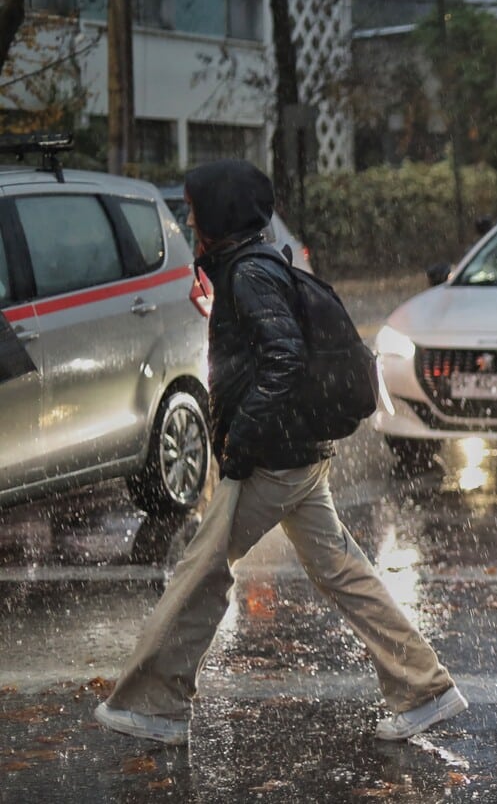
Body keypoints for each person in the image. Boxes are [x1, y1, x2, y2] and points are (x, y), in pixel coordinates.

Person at [95, 160, 465, 745]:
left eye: (194, 208)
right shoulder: (250, 266)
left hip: (274, 456)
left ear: (219, 212)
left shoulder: (250, 274)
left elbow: (283, 357)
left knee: (201, 570)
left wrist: (241, 442)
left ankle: (153, 705)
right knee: (342, 570)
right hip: (295, 452)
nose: (188, 218)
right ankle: (425, 687)